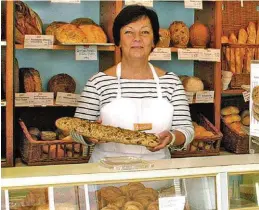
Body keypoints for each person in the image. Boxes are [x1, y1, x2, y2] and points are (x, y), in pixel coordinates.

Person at [74, 5, 194, 163]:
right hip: (107, 177)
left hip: (159, 176)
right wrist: (89, 136)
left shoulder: (171, 82)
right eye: (128, 32)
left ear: (154, 41)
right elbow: (76, 130)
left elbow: (186, 130)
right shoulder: (98, 82)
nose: (137, 38)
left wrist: (171, 138)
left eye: (145, 32)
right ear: (118, 40)